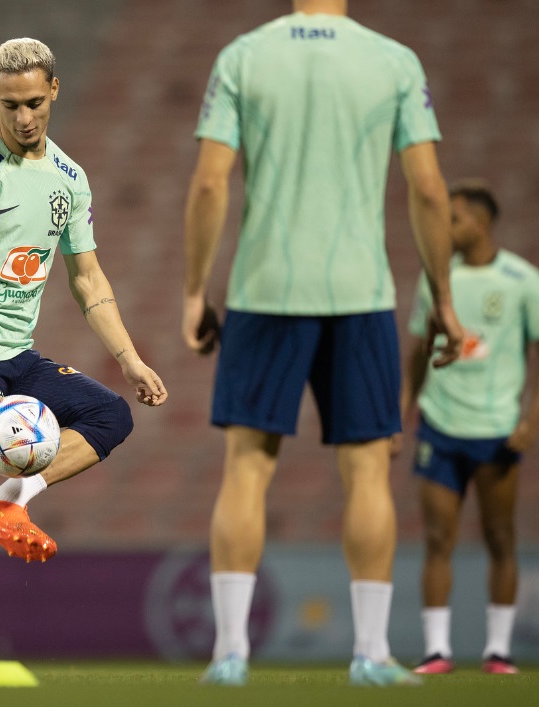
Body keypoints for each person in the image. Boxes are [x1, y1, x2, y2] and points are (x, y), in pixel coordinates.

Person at [181, 0, 464, 686]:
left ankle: (229, 654)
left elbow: (211, 181)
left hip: (264, 290)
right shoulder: (393, 61)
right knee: (367, 472)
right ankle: (370, 652)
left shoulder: (243, 56)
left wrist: (194, 291)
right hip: (359, 292)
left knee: (246, 469)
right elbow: (429, 190)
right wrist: (443, 299)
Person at [0, 37, 167, 681]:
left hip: (18, 353)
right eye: (10, 106)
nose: (24, 117)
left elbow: (87, 277)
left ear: (55, 90)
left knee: (111, 415)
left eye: (34, 102)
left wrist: (130, 358)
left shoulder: (70, 178)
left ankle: (12, 499)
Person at [398, 181, 539, 676]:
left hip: (496, 428)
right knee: (438, 539)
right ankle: (437, 650)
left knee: (500, 536)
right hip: (440, 424)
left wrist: (531, 419)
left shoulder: (522, 280)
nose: (444, 226)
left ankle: (498, 651)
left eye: (453, 218)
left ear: (481, 223)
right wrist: (401, 412)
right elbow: (419, 352)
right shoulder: (437, 280)